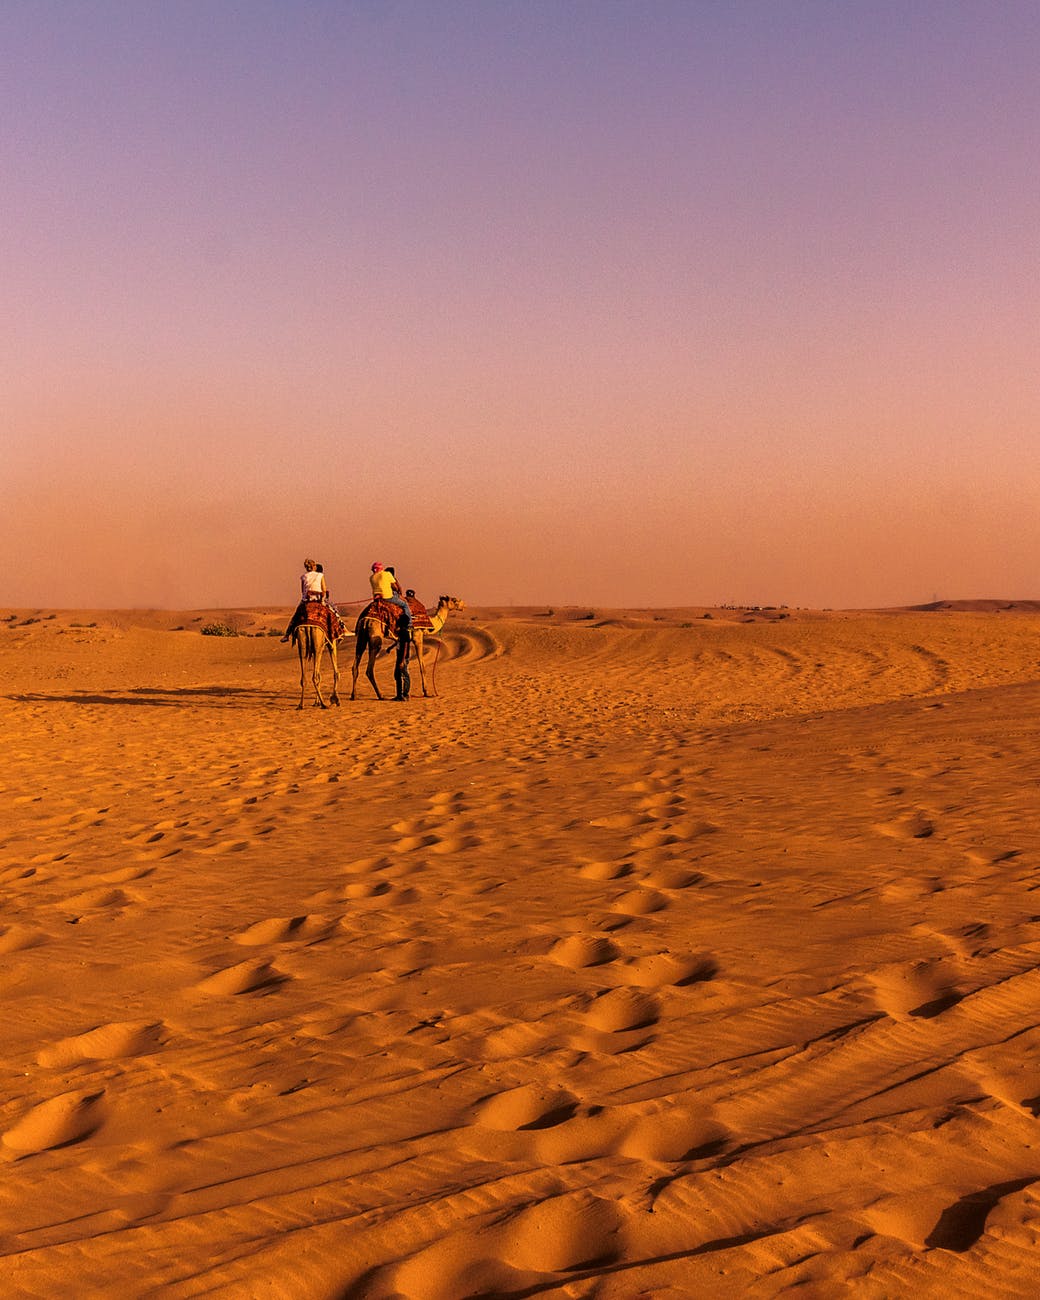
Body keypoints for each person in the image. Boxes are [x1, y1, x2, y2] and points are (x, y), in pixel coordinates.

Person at [281, 558, 327, 641]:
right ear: (314, 567)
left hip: (306, 601)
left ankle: (287, 635)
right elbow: (324, 590)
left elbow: (303, 591)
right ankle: (339, 630)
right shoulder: (320, 575)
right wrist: (322, 600)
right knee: (332, 613)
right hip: (319, 600)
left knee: (295, 617)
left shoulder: (303, 577)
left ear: (306, 567)